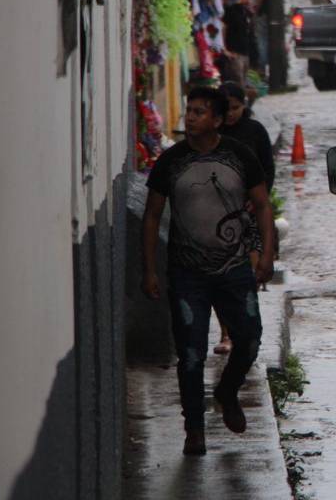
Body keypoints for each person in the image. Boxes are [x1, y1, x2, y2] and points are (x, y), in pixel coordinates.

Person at [141, 86, 276, 456]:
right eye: (189, 110)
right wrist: (149, 269)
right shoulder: (170, 162)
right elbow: (152, 215)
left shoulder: (240, 156)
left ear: (217, 120)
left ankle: (227, 390)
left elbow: (262, 205)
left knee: (248, 338)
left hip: (235, 271)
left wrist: (266, 254)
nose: (190, 117)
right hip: (187, 276)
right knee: (191, 355)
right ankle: (194, 429)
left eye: (200, 112)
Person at [213, 81, 275, 355]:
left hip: (248, 214)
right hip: (215, 217)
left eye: (236, 108)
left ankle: (247, 329)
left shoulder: (255, 131)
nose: (231, 114)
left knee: (247, 277)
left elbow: (267, 170)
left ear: (244, 106)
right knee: (218, 277)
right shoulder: (210, 134)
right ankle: (226, 334)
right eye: (226, 108)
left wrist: (256, 200)